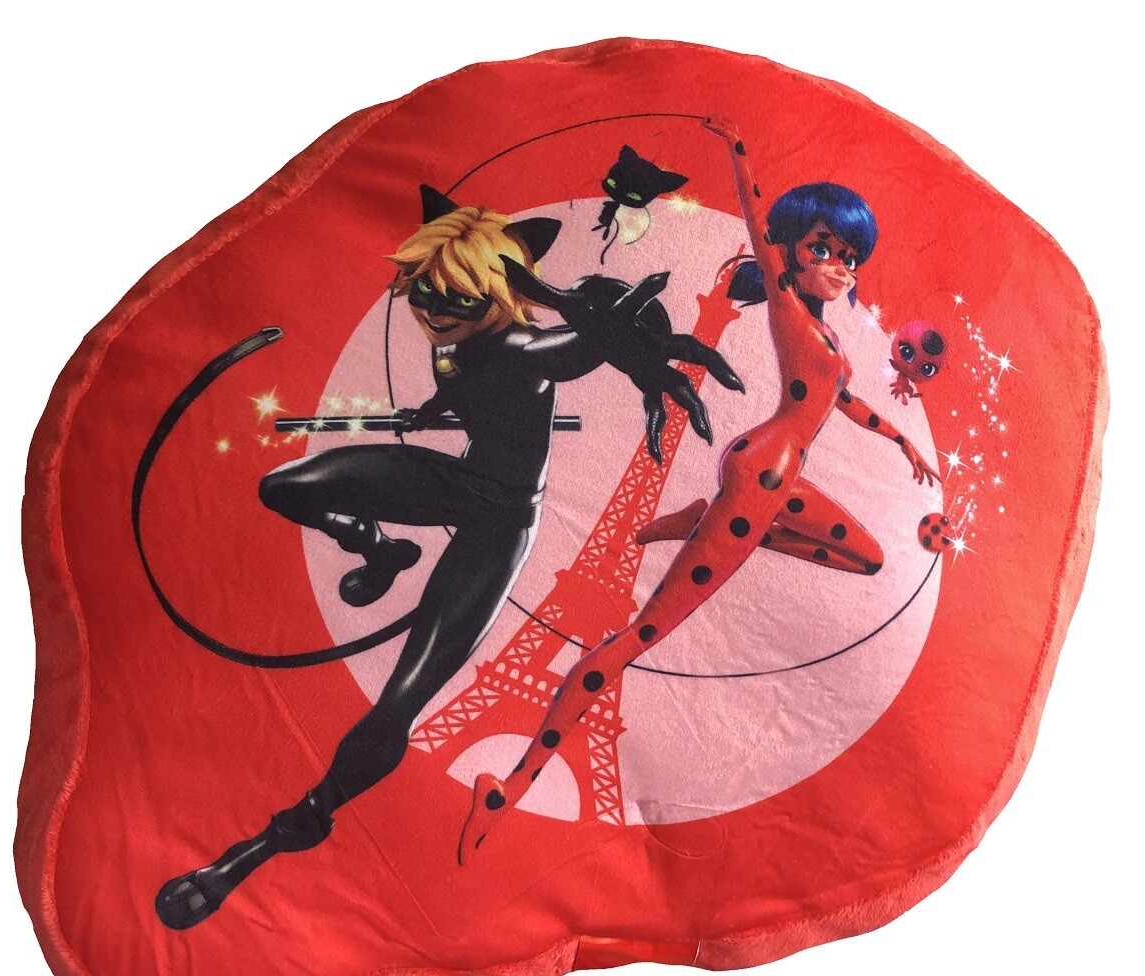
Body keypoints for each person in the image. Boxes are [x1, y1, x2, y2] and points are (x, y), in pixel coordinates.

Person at [155, 184, 743, 928]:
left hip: (501, 519)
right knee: (286, 486)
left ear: (497, 294)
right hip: (458, 483)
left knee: (403, 698)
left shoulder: (524, 347)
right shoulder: (455, 342)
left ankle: (294, 825)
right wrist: (436, 409)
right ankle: (378, 547)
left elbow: (566, 350)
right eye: (425, 290)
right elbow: (470, 382)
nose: (435, 309)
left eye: (458, 297)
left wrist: (605, 332)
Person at [458, 118, 940, 863]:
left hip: (776, 476)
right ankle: (510, 786)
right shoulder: (787, 304)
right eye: (823, 249)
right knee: (639, 637)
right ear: (792, 253)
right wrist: (738, 150)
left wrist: (901, 438)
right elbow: (757, 223)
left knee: (870, 557)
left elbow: (839, 400)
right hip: (765, 471)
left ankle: (703, 519)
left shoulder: (827, 338)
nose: (841, 266)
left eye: (850, 257)